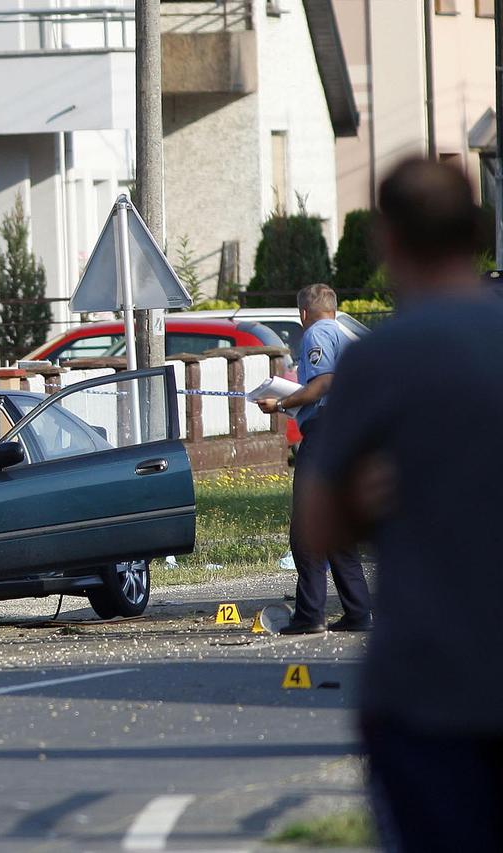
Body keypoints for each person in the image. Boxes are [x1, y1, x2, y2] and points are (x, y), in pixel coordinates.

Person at [302, 158, 503, 850]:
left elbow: (321, 525)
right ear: (479, 231)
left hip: (426, 692)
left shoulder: (380, 361)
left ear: (386, 242)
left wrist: (368, 496)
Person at [256, 283, 372, 634]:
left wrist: (280, 404)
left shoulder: (316, 335)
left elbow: (322, 384)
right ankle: (357, 611)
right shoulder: (345, 334)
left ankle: (310, 615)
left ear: (302, 313)